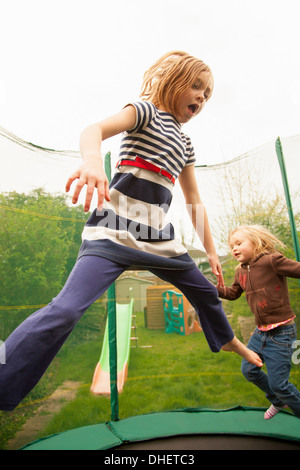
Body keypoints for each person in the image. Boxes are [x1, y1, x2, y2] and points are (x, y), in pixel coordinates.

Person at [0, 51, 262, 412]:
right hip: (112, 232)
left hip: (157, 237)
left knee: (205, 291)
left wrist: (213, 252)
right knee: (65, 310)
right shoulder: (144, 111)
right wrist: (93, 161)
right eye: (196, 87)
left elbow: (193, 199)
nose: (201, 98)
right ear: (172, 82)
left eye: (207, 95)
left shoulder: (186, 144)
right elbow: (93, 130)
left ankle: (229, 340)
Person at [217, 224, 300, 419]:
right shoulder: (240, 272)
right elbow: (233, 293)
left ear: (256, 242)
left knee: (279, 384)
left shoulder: (272, 261)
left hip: (281, 333)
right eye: (231, 246)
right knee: (249, 371)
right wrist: (216, 289)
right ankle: (278, 401)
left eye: (239, 243)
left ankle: (286, 401)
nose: (234, 249)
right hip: (260, 332)